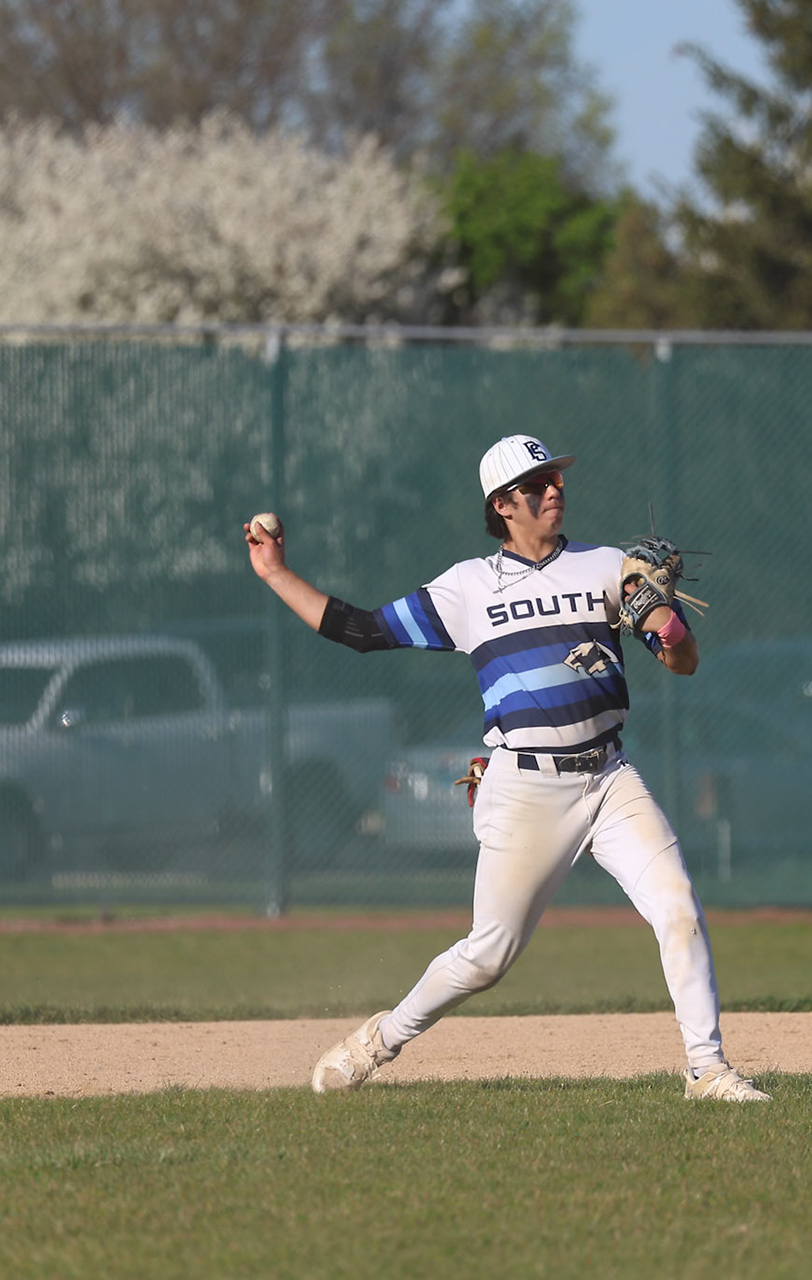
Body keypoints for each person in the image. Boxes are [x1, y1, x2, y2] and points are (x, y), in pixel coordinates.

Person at [245, 433, 769, 1102]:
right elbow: (363, 631)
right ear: (503, 504)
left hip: (610, 779)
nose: (554, 489)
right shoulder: (468, 586)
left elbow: (682, 661)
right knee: (487, 956)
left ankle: (707, 1069)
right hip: (526, 786)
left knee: (679, 908)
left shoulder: (608, 567)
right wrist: (275, 573)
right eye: (536, 483)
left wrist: (666, 625)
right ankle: (376, 1041)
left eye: (555, 478)